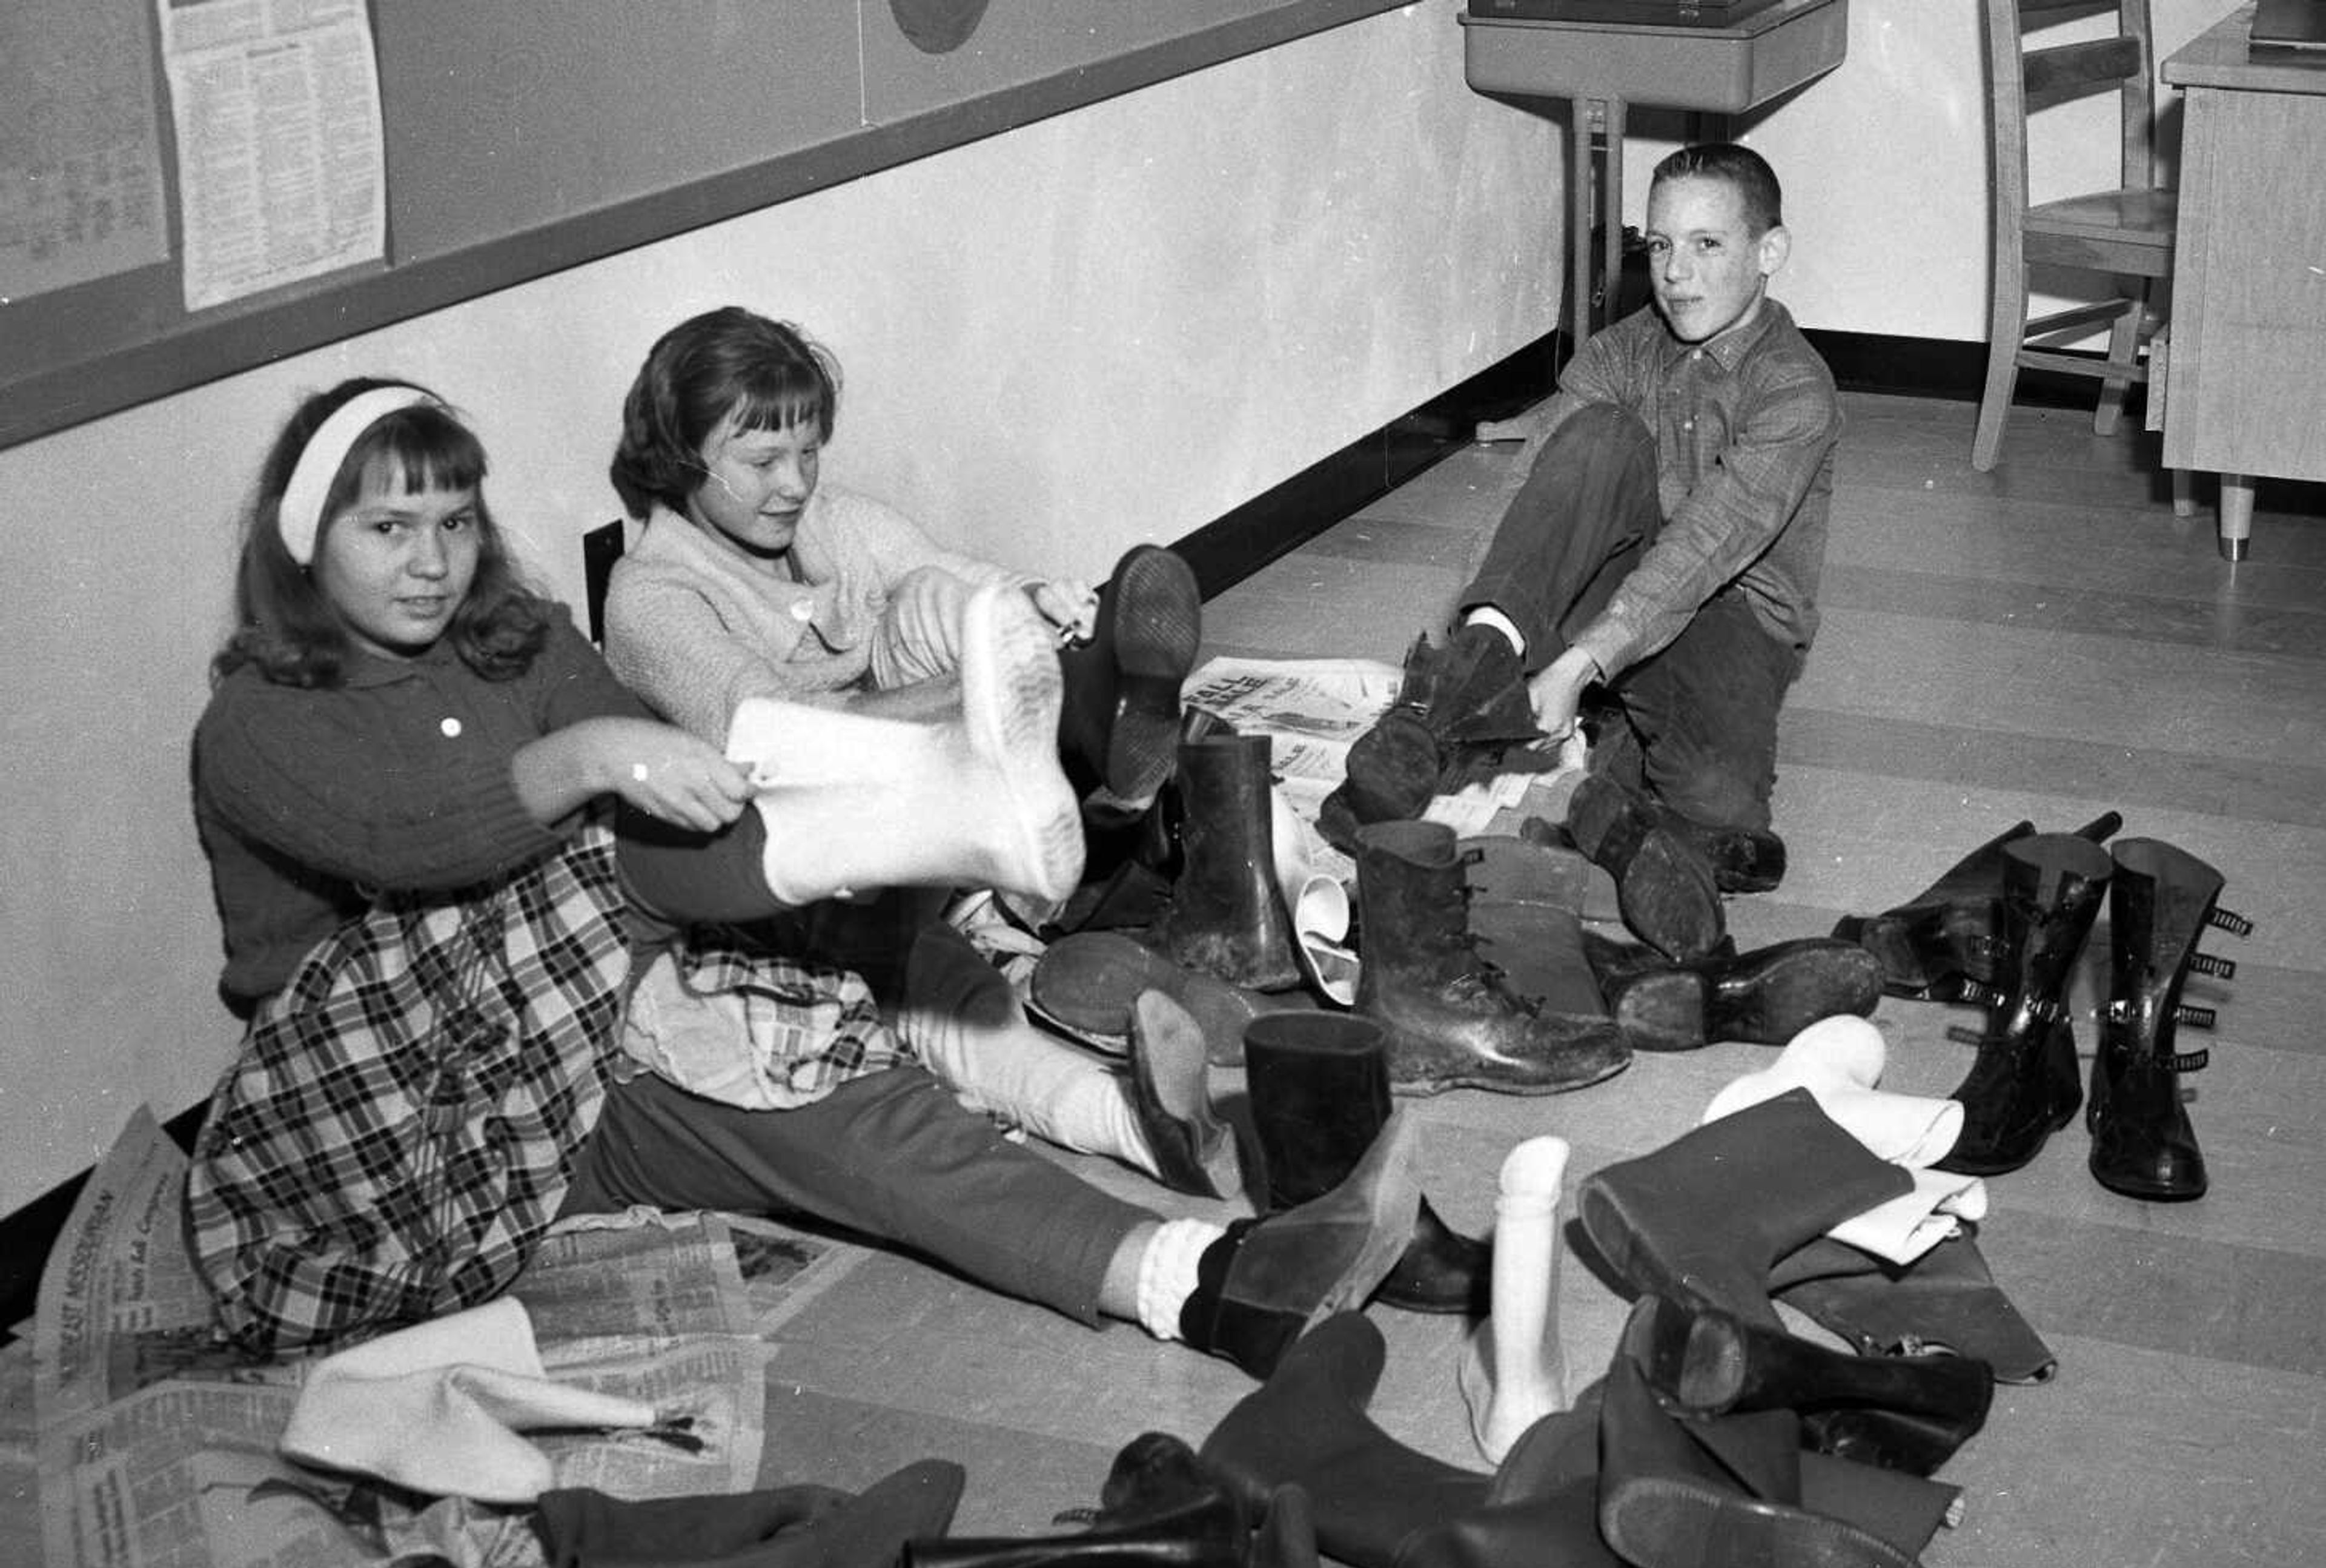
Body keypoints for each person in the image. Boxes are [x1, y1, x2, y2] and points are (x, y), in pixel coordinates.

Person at [184, 377, 1417, 1374]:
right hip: (396, 1118)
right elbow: (418, 844)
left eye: (455, 523)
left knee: (803, 1081)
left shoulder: (523, 639)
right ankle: (950, 810)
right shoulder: (255, 718)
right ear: (303, 546)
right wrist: (591, 752)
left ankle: (1200, 1288)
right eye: (387, 529)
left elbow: (670, 776)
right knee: (630, 857)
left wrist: (639, 757)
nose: (432, 561)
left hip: (573, 1069)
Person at [600, 307, 1214, 1189]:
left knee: (935, 596)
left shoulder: (827, 522)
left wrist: (1045, 607)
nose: (795, 483)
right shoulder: (651, 596)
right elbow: (777, 735)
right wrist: (979, 694)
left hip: (928, 828)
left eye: (809, 452)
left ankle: (1055, 750)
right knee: (947, 999)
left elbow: (961, 579)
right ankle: (1136, 1124)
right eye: (762, 460)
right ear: (681, 453)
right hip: (800, 849)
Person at [1324, 143, 1839, 950]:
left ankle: (1617, 775)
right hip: (1616, 594)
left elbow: (1706, 548)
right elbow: (1534, 503)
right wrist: (1472, 647)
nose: (1676, 272)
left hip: (1728, 617)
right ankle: (1470, 689)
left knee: (1718, 812)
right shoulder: (1622, 351)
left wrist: (1576, 665)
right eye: (1661, 245)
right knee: (1593, 435)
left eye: (1709, 245)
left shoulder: (1795, 388)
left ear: (1768, 253)